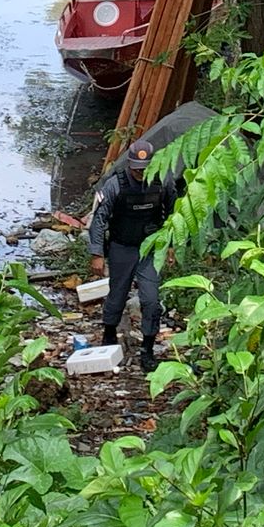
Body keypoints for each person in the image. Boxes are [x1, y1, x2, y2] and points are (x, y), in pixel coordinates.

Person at [86, 138, 176, 371]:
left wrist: (171, 246)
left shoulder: (162, 181)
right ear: (129, 165)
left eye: (143, 170)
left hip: (150, 249)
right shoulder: (115, 185)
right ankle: (108, 334)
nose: (139, 173)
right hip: (122, 247)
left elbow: (172, 216)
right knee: (117, 294)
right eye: (136, 169)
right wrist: (97, 253)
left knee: (151, 300)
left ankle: (147, 348)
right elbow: (99, 220)